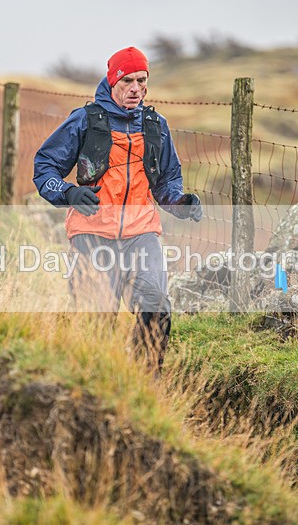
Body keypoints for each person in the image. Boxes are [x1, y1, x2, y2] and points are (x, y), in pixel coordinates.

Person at [33, 46, 202, 373]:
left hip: (142, 233)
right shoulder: (85, 120)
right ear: (113, 81)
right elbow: (45, 167)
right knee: (96, 320)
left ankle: (144, 384)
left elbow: (167, 181)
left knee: (156, 307)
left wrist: (181, 203)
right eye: (128, 81)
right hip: (92, 233)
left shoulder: (156, 125)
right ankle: (91, 387)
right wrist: (69, 192)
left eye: (142, 80)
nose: (136, 88)